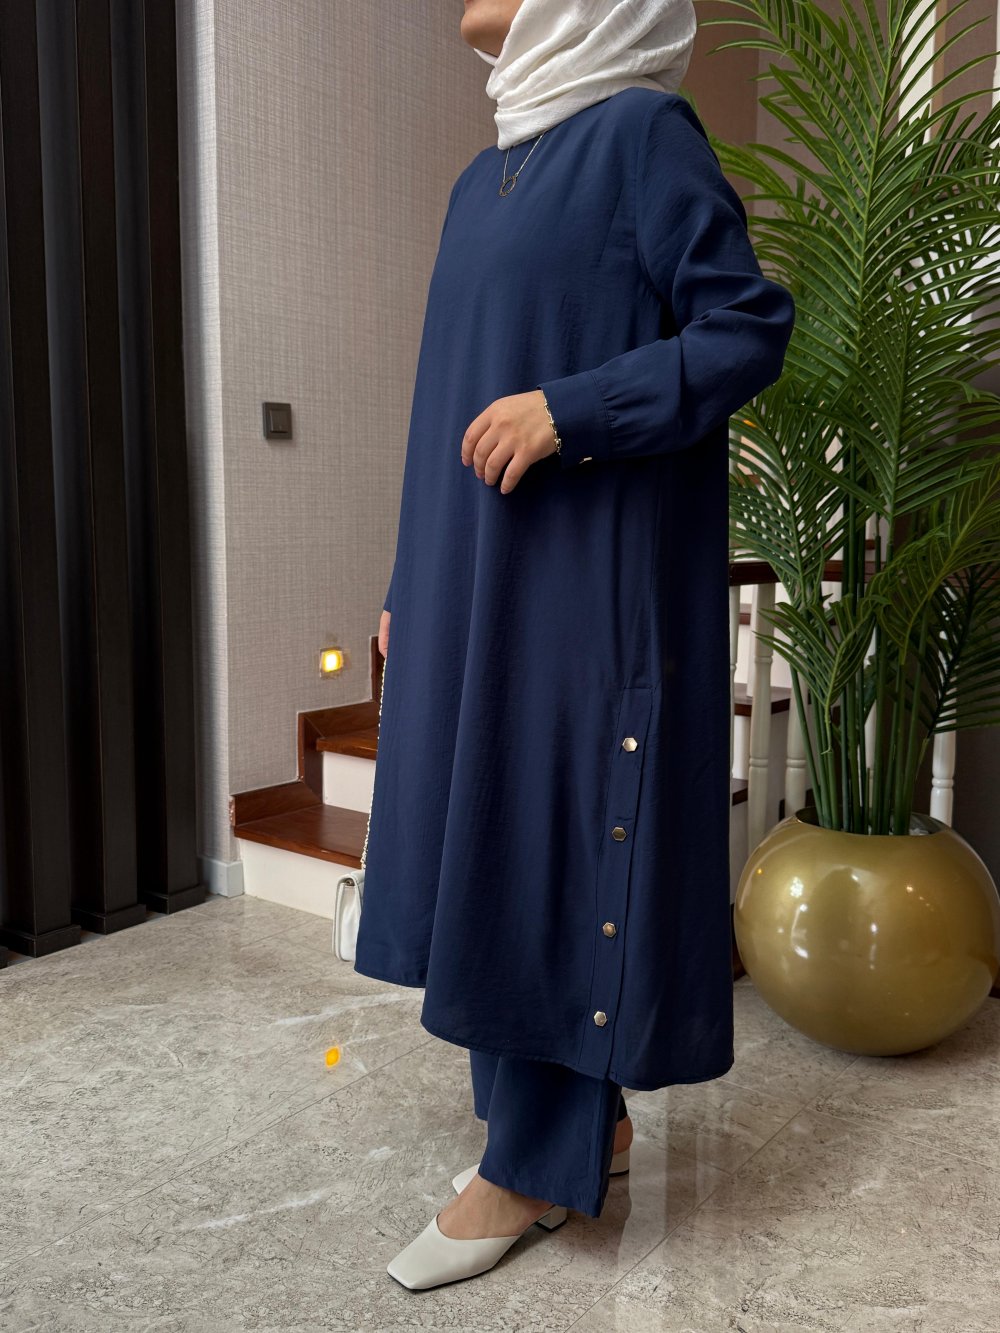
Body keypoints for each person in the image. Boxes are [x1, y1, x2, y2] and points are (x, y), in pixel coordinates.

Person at [355, 0, 796, 1291]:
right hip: (472, 572)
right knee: (479, 826)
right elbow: (445, 396)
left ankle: (528, 1171)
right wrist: (409, 580)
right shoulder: (480, 178)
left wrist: (573, 411)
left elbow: (745, 328)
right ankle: (573, 1134)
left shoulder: (645, 135)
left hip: (581, 581)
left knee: (544, 833)